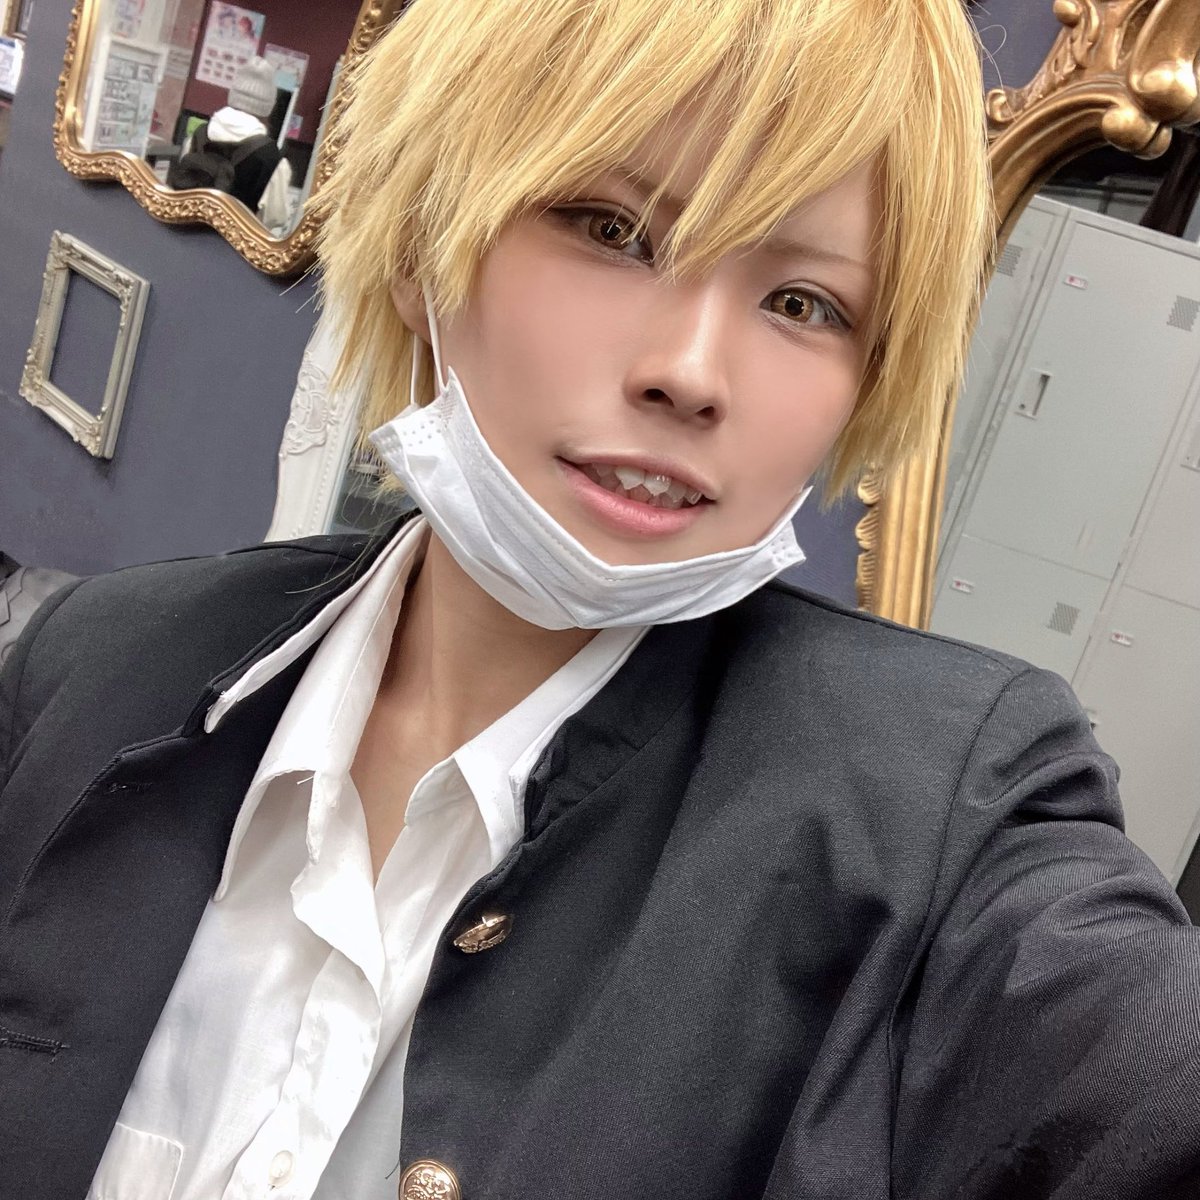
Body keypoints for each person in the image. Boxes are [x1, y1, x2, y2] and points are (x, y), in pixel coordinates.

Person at [3, 1, 1199, 1198]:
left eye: (804, 304)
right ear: (422, 249)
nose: (691, 373)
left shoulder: (951, 825)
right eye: (613, 229)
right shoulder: (92, 659)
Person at [168, 55, 293, 235]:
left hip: (180, 234)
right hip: (229, 246)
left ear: (232, 94)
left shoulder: (198, 135)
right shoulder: (273, 159)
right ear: (268, 108)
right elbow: (275, 218)